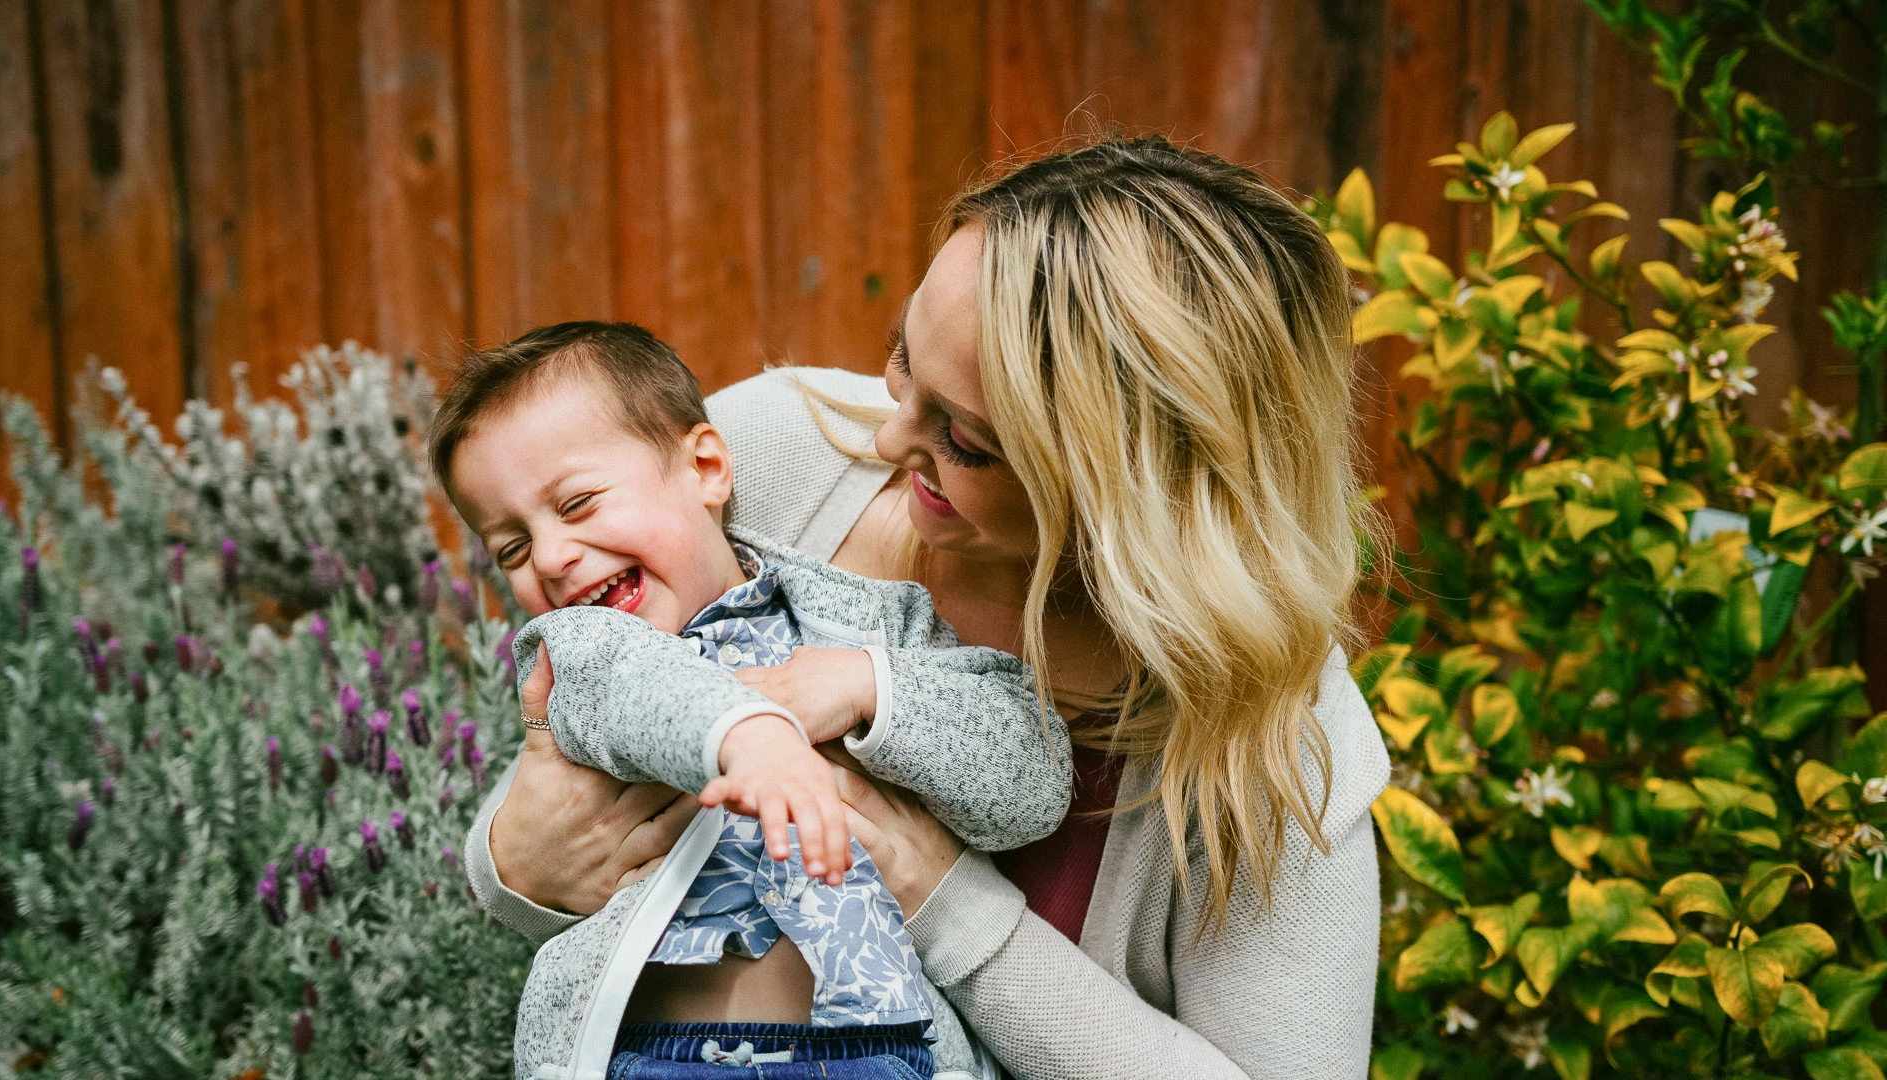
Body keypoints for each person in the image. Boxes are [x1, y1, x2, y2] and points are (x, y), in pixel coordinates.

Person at [467, 136, 1393, 1079]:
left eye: (968, 442)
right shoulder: (771, 453)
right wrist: (515, 865)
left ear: (1134, 495)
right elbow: (589, 714)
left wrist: (950, 907)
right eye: (903, 360)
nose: (887, 432)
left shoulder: (1279, 746)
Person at [432, 320, 1070, 1079]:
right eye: (511, 547)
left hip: (883, 1051)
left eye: (576, 505)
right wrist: (748, 734)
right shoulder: (579, 661)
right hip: (667, 1058)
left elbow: (1027, 784)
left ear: (705, 467)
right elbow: (643, 691)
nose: (551, 557)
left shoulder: (870, 624)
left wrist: (872, 687)